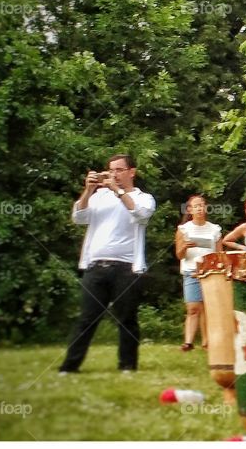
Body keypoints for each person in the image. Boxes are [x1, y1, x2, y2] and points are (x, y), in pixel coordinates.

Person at [59, 154, 156, 374]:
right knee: (87, 318)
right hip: (96, 267)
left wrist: (118, 191)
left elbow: (140, 214)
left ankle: (127, 366)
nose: (114, 174)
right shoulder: (99, 196)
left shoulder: (143, 197)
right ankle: (69, 366)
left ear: (132, 172)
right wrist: (88, 190)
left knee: (127, 319)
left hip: (127, 267)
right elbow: (78, 217)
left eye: (119, 170)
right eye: (111, 170)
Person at [174, 195, 222, 352]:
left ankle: (207, 342)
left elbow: (219, 254)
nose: (200, 208)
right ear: (190, 210)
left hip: (210, 271)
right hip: (191, 270)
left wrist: (218, 268)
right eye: (196, 206)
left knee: (208, 308)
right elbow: (179, 255)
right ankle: (188, 342)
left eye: (202, 205)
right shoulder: (183, 229)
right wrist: (185, 247)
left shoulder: (215, 229)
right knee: (193, 307)